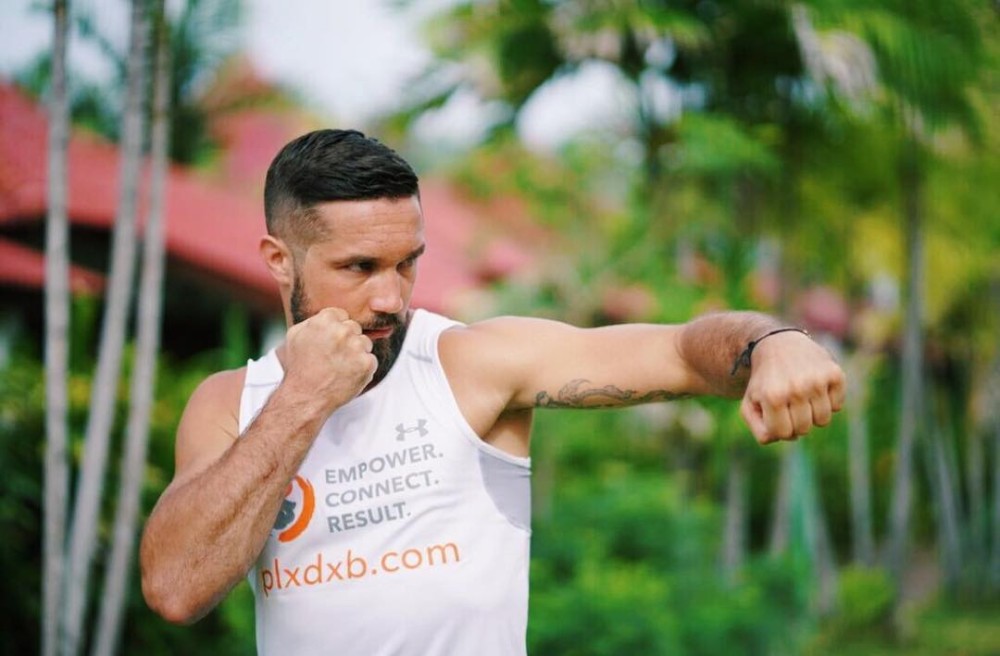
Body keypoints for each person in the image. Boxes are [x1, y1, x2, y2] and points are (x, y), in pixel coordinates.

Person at [140, 129, 845, 655]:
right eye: (359, 267)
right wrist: (303, 399)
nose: (391, 298)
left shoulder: (470, 364)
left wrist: (770, 341)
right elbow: (175, 589)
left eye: (407, 263)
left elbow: (679, 352)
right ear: (279, 260)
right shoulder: (230, 404)